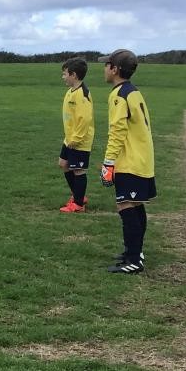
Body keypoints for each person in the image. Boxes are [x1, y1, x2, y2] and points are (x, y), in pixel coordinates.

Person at [99, 49, 155, 273]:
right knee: (135, 203)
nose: (104, 69)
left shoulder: (118, 95)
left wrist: (108, 163)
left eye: (107, 65)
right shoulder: (133, 92)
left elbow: (117, 131)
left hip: (129, 160)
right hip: (142, 158)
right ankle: (135, 251)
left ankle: (134, 260)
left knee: (125, 204)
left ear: (115, 69)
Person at [57, 57, 94, 212]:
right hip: (69, 139)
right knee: (63, 164)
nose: (63, 77)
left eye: (65, 74)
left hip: (79, 140)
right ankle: (79, 195)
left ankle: (78, 204)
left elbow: (85, 119)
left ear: (74, 75)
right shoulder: (70, 92)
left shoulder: (82, 94)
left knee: (78, 170)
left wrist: (77, 138)